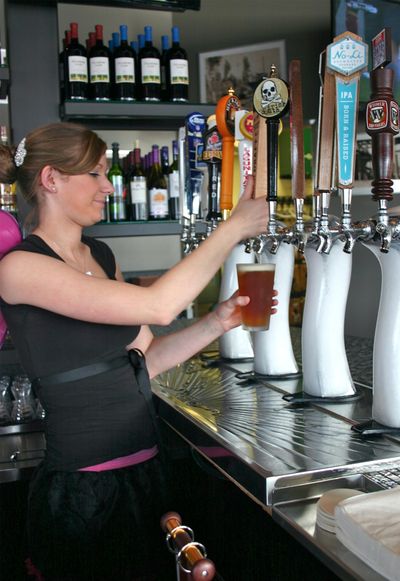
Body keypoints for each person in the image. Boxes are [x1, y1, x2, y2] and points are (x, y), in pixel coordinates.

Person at [0, 122, 276, 581]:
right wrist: (233, 229)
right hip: (84, 494)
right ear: (51, 179)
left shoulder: (101, 256)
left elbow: (145, 359)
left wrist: (217, 322)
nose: (108, 186)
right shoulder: (20, 268)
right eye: (95, 174)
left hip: (148, 477)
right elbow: (160, 306)